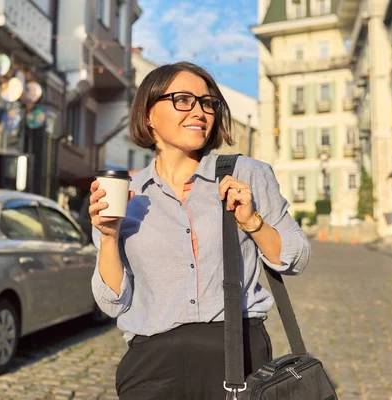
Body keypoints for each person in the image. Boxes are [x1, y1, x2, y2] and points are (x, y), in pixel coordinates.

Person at [88, 61, 311, 400]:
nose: (199, 111)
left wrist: (253, 223)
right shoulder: (125, 192)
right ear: (148, 114)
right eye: (183, 99)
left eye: (207, 103)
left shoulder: (247, 174)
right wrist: (107, 237)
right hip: (151, 366)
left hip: (238, 356)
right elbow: (113, 302)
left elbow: (295, 257)